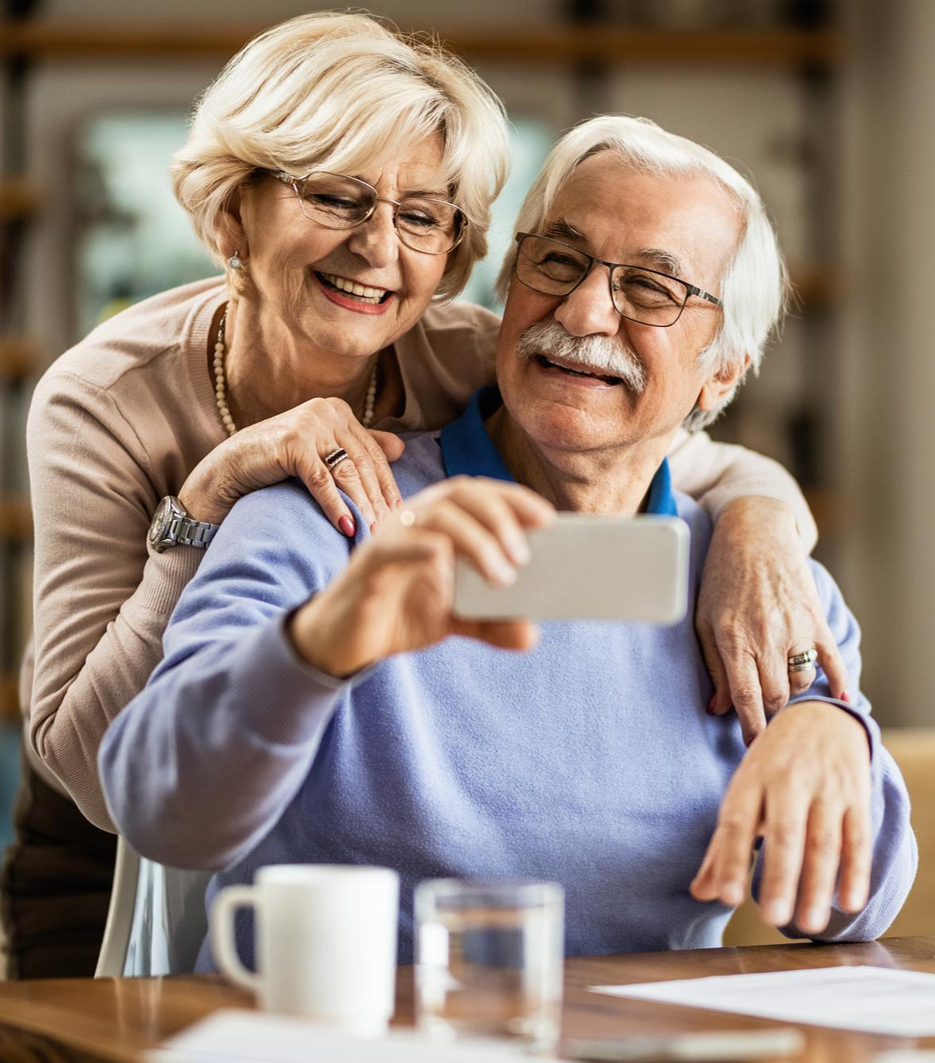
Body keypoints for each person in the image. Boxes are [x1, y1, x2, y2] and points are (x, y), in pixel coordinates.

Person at [2, 11, 840, 978]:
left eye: (421, 215)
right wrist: (210, 493)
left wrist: (763, 541)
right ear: (233, 212)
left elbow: (676, 451)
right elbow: (94, 775)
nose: (377, 248)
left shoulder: (478, 355)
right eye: (336, 196)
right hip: (105, 804)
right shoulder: (105, 395)